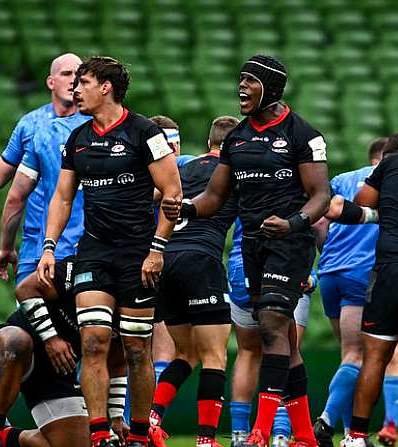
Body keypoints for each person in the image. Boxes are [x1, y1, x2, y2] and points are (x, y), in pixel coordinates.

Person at [165, 54, 330, 447]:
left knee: (271, 323)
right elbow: (215, 196)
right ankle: (305, 436)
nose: (241, 87)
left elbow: (320, 196)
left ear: (270, 88)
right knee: (283, 338)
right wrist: (186, 207)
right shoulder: (237, 138)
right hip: (254, 246)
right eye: (239, 80)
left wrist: (293, 223)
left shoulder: (303, 134)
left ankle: (260, 430)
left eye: (249, 81)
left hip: (290, 242)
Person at [37, 56, 182, 447]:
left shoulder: (145, 132)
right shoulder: (78, 139)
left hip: (138, 254)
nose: (75, 89)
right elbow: (62, 199)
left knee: (136, 348)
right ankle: (100, 434)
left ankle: (137, 434)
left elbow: (173, 193)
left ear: (106, 87)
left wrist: (157, 250)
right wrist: (48, 248)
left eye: (83, 82)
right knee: (94, 341)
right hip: (94, 253)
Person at [328, 132, 398, 447]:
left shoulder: (388, 167)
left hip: (390, 270)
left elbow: (357, 204)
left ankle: (356, 435)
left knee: (373, 356)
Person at [147, 116, 240, 447]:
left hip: (167, 261)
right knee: (214, 356)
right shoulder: (234, 172)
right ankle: (206, 440)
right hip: (202, 262)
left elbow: (156, 199)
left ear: (208, 143)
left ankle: (152, 418)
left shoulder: (182, 170)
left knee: (185, 353)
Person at [0, 53, 82, 284]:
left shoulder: (93, 125)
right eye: (66, 74)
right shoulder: (30, 125)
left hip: (81, 242)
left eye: (78, 75)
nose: (73, 80)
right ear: (51, 82)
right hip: (34, 244)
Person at [0, 258, 88, 447]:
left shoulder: (125, 298)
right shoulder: (74, 268)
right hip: (23, 347)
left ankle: (8, 439)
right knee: (16, 342)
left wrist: (116, 418)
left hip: (60, 367)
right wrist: (51, 339)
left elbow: (117, 360)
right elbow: (24, 290)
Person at [227, 214, 318, 447]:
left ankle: (240, 433)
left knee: (247, 352)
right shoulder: (297, 184)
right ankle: (279, 433)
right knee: (283, 349)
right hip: (282, 263)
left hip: (241, 266)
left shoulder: (240, 180)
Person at [148, 115, 193, 384]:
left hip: (166, 262)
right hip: (148, 261)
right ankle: (145, 419)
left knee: (156, 345)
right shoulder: (146, 174)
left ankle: (145, 420)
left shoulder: (187, 165)